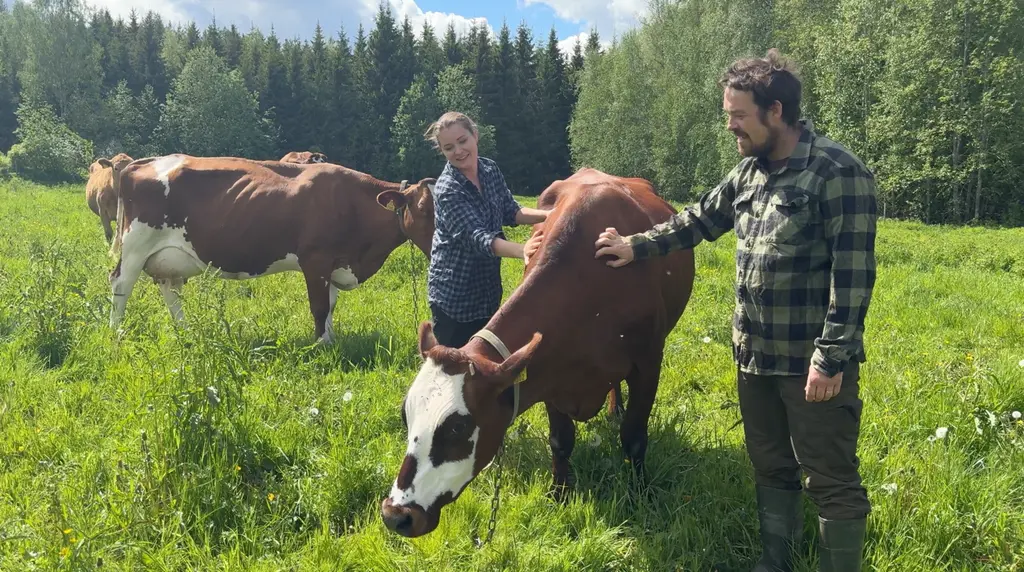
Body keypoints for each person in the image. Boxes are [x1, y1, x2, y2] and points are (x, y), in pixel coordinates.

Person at [594, 50, 877, 572]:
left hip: (809, 364)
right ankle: (775, 563)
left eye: (738, 116)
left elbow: (854, 276)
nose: (730, 127)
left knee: (830, 479)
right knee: (770, 466)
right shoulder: (747, 173)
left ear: (775, 111)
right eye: (728, 115)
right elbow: (696, 221)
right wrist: (635, 245)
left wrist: (830, 359)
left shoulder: (837, 172)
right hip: (754, 357)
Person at [424, 111, 550, 348]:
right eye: (449, 147)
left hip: (487, 290)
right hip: (455, 296)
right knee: (455, 368)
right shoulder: (447, 189)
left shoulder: (490, 170)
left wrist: (552, 215)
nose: (458, 151)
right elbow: (477, 237)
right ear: (442, 151)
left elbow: (511, 211)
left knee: (485, 364)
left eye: (463, 141)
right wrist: (522, 250)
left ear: (475, 136)